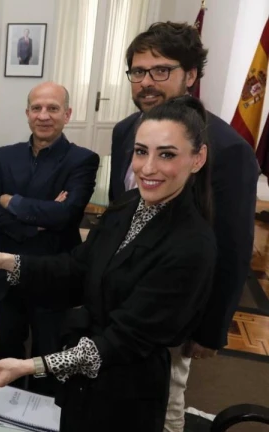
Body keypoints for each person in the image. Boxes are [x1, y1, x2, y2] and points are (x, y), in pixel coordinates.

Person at [0, 96, 217, 432]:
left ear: (197, 158)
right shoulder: (128, 205)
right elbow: (76, 268)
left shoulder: (192, 244)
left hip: (126, 394)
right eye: (141, 151)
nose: (147, 168)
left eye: (167, 154)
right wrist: (5, 261)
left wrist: (29, 366)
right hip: (83, 386)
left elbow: (124, 341)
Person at [108, 22, 258, 432]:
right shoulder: (125, 131)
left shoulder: (228, 149)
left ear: (190, 75)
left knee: (165, 402)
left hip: (173, 306)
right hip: (120, 299)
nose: (146, 82)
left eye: (161, 70)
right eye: (138, 71)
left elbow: (233, 247)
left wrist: (212, 329)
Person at [0, 81, 99, 396]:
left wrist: (12, 201)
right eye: (37, 108)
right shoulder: (3, 156)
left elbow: (66, 215)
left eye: (53, 108)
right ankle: (4, 408)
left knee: (48, 357)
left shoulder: (83, 160)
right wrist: (36, 224)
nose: (43, 116)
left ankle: (41, 414)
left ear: (67, 114)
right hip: (6, 275)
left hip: (53, 275)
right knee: (7, 349)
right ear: (27, 113)